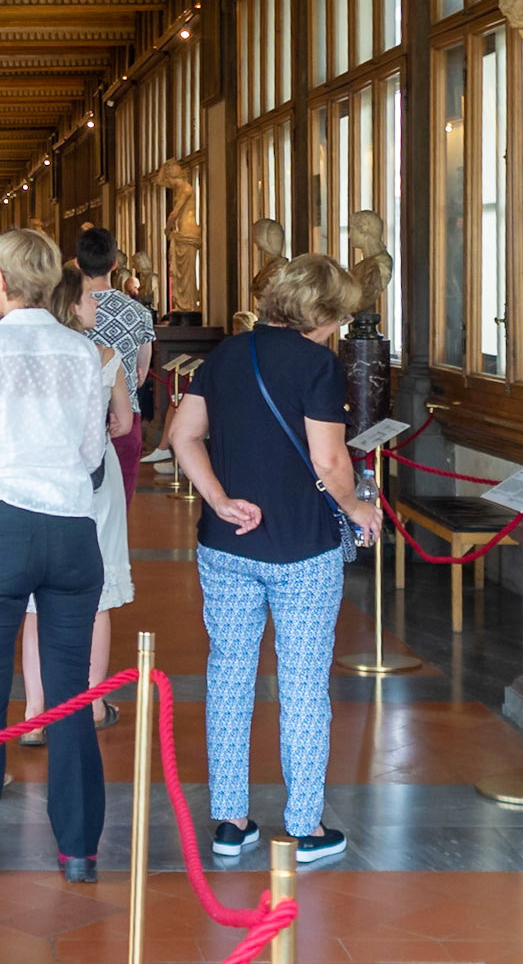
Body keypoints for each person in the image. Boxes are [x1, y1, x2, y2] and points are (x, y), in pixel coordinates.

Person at [169, 252, 379, 867]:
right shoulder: (319, 365)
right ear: (323, 313)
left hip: (225, 543)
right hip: (301, 550)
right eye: (338, 315)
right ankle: (305, 826)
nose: (339, 327)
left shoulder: (227, 354)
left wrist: (220, 500)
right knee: (304, 683)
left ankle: (231, 823)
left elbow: (183, 435)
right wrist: (361, 510)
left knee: (229, 675)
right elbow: (330, 462)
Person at [0, 228, 107, 884]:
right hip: (72, 530)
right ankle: (77, 850)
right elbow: (94, 454)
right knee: (70, 693)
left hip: (3, 529)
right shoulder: (82, 351)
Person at [21, 266, 134, 744]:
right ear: (71, 305)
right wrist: (100, 429)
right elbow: (125, 423)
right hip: (94, 476)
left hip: (41, 470)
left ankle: (34, 709)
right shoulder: (105, 355)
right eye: (90, 299)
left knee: (33, 600)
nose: (96, 305)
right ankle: (89, 702)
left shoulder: (31, 356)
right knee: (99, 586)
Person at [77, 226, 151, 503]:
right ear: (115, 264)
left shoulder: (68, 309)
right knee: (118, 511)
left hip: (79, 420)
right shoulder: (139, 312)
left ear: (77, 262)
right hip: (126, 418)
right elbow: (142, 371)